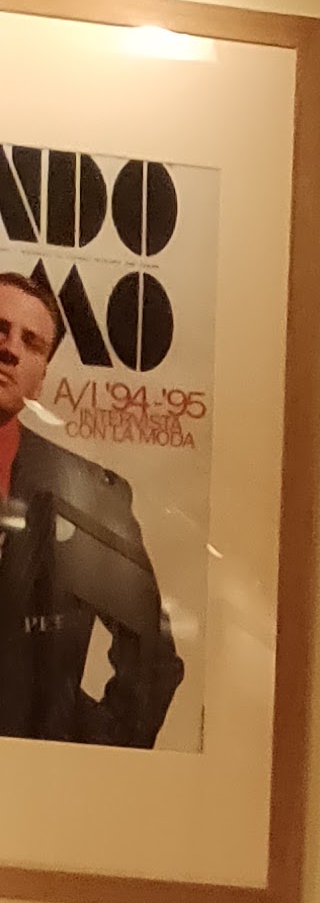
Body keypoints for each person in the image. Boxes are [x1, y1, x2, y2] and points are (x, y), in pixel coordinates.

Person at [0, 264, 185, 751]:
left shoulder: (89, 492)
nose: (10, 349)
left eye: (32, 343)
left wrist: (84, 748)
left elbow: (152, 660)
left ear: (40, 379)